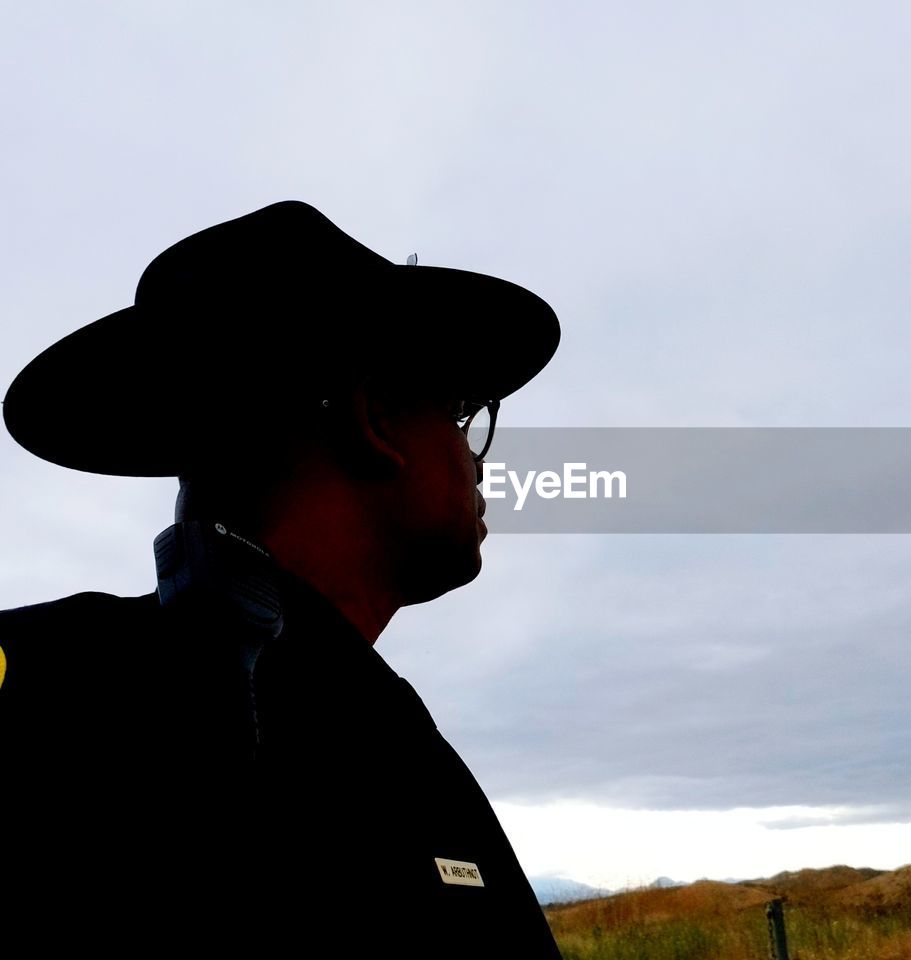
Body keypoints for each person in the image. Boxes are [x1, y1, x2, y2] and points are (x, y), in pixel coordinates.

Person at [0, 200, 564, 954]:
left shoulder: (67, 674)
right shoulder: (48, 691)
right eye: (460, 413)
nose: (475, 458)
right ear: (379, 420)